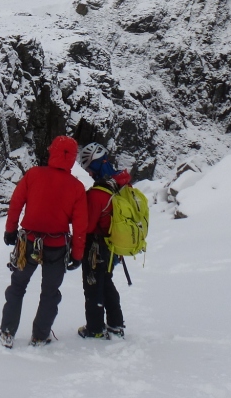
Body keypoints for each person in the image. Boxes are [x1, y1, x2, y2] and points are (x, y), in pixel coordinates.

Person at [0, 135, 87, 348]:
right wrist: (77, 254)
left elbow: (16, 203)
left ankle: (7, 332)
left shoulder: (34, 175)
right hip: (57, 246)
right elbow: (80, 226)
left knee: (18, 286)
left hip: (29, 242)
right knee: (50, 293)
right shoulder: (76, 187)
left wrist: (10, 230)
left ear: (52, 152)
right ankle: (39, 336)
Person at [78, 142, 132, 340]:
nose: (89, 173)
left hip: (96, 247)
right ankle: (116, 324)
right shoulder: (123, 184)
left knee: (93, 285)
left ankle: (95, 329)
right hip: (114, 245)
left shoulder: (98, 193)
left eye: (90, 169)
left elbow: (88, 226)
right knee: (106, 281)